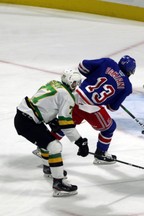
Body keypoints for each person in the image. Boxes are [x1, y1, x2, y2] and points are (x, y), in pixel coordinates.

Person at [14, 69, 89, 197]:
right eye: (75, 83)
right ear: (71, 82)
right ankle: (58, 184)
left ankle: (48, 167)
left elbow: (44, 104)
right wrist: (80, 142)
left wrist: (51, 120)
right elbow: (66, 124)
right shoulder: (67, 96)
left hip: (25, 115)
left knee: (47, 141)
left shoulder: (54, 83)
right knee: (54, 146)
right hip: (27, 122)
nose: (76, 86)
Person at [73, 55, 136, 164]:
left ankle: (46, 148)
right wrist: (111, 98)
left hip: (76, 97)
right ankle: (101, 154)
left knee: (66, 124)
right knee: (109, 128)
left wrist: (92, 76)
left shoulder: (108, 62)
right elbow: (112, 108)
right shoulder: (127, 86)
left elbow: (82, 66)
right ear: (130, 71)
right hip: (90, 108)